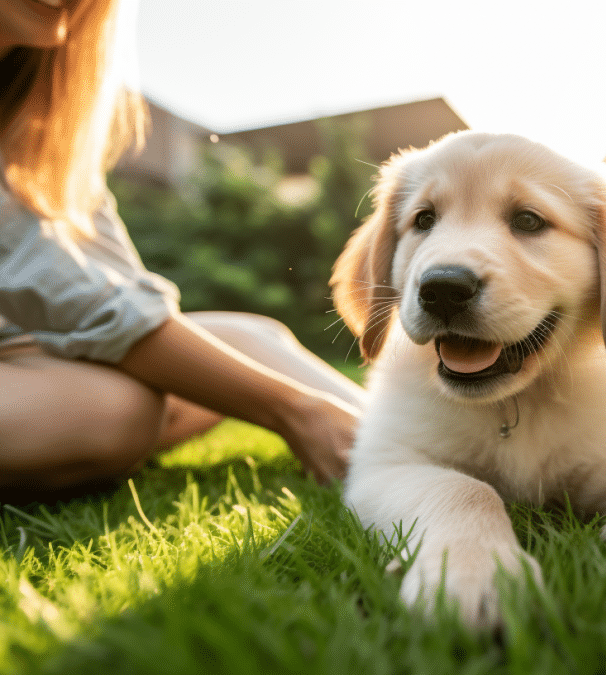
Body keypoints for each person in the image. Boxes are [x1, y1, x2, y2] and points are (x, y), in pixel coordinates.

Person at [0, 0, 364, 500]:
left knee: (250, 337)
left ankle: (413, 443)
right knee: (120, 410)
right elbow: (85, 300)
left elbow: (119, 290)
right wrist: (296, 410)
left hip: (23, 356)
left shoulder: (37, 121)